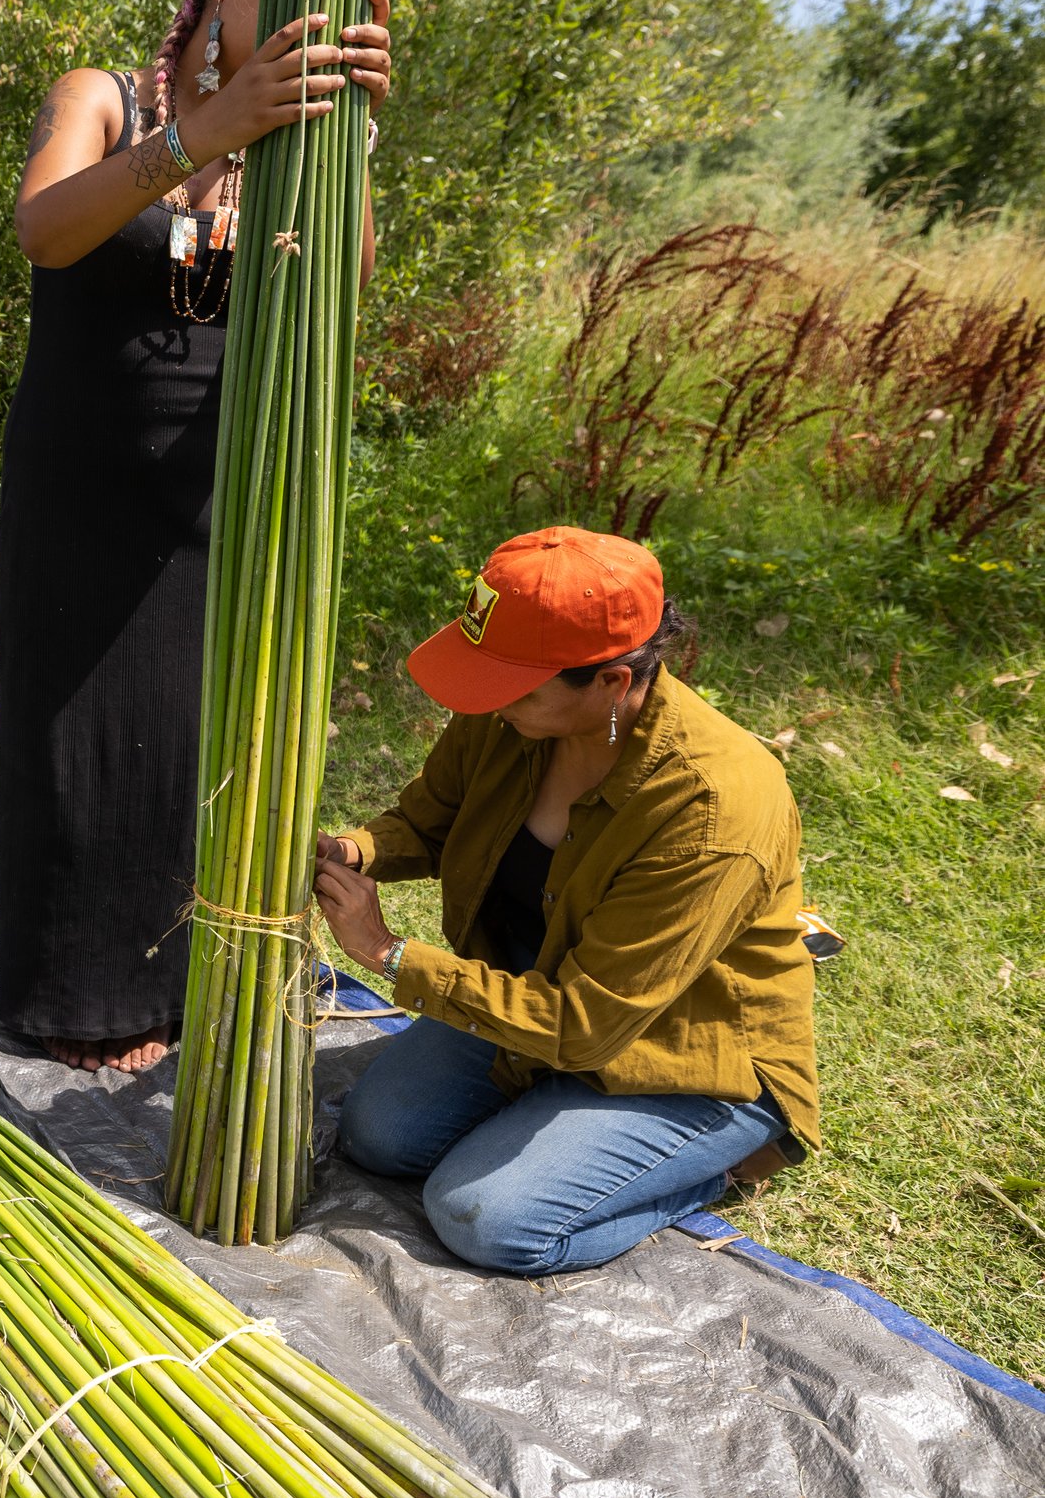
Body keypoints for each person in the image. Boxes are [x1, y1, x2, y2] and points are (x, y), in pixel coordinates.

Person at [0, 0, 393, 1073]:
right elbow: (45, 229)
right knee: (79, 729)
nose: (298, 25)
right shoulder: (105, 95)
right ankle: (80, 994)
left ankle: (184, 977)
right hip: (84, 474)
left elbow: (345, 284)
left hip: (220, 475)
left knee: (189, 730)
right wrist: (206, 130)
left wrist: (351, 143)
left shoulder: (299, 132)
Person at [313, 527, 822, 1275]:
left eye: (510, 684)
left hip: (680, 1052)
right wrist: (355, 851)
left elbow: (587, 1027)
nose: (482, 699)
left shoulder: (713, 809)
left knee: (484, 1218)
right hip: (534, 987)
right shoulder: (508, 716)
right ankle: (547, 1110)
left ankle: (731, 1155)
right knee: (378, 1135)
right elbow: (430, 819)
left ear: (612, 682)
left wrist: (386, 953)